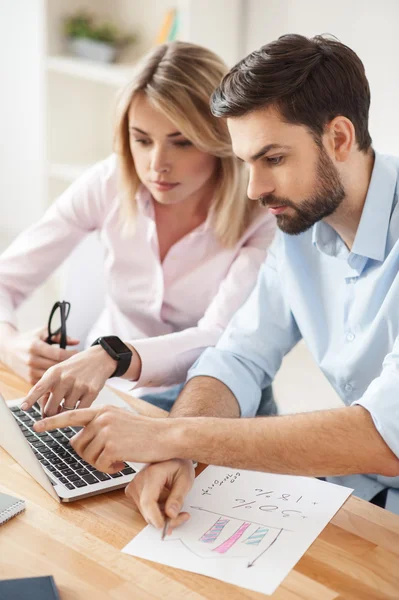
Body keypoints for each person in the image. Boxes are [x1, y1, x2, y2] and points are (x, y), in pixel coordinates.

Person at [28, 32, 399, 527]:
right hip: (356, 494)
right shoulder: (300, 228)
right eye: (246, 162)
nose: (255, 190)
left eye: (273, 159)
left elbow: (381, 438)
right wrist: (178, 450)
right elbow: (238, 355)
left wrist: (172, 437)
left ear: (339, 138)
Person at [0, 41, 275, 413]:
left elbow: (219, 339)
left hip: (208, 396)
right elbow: (7, 278)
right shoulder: (109, 182)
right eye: (142, 140)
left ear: (220, 139)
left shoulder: (260, 212)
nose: (156, 164)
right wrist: (9, 344)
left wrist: (113, 356)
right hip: (106, 388)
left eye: (182, 143)